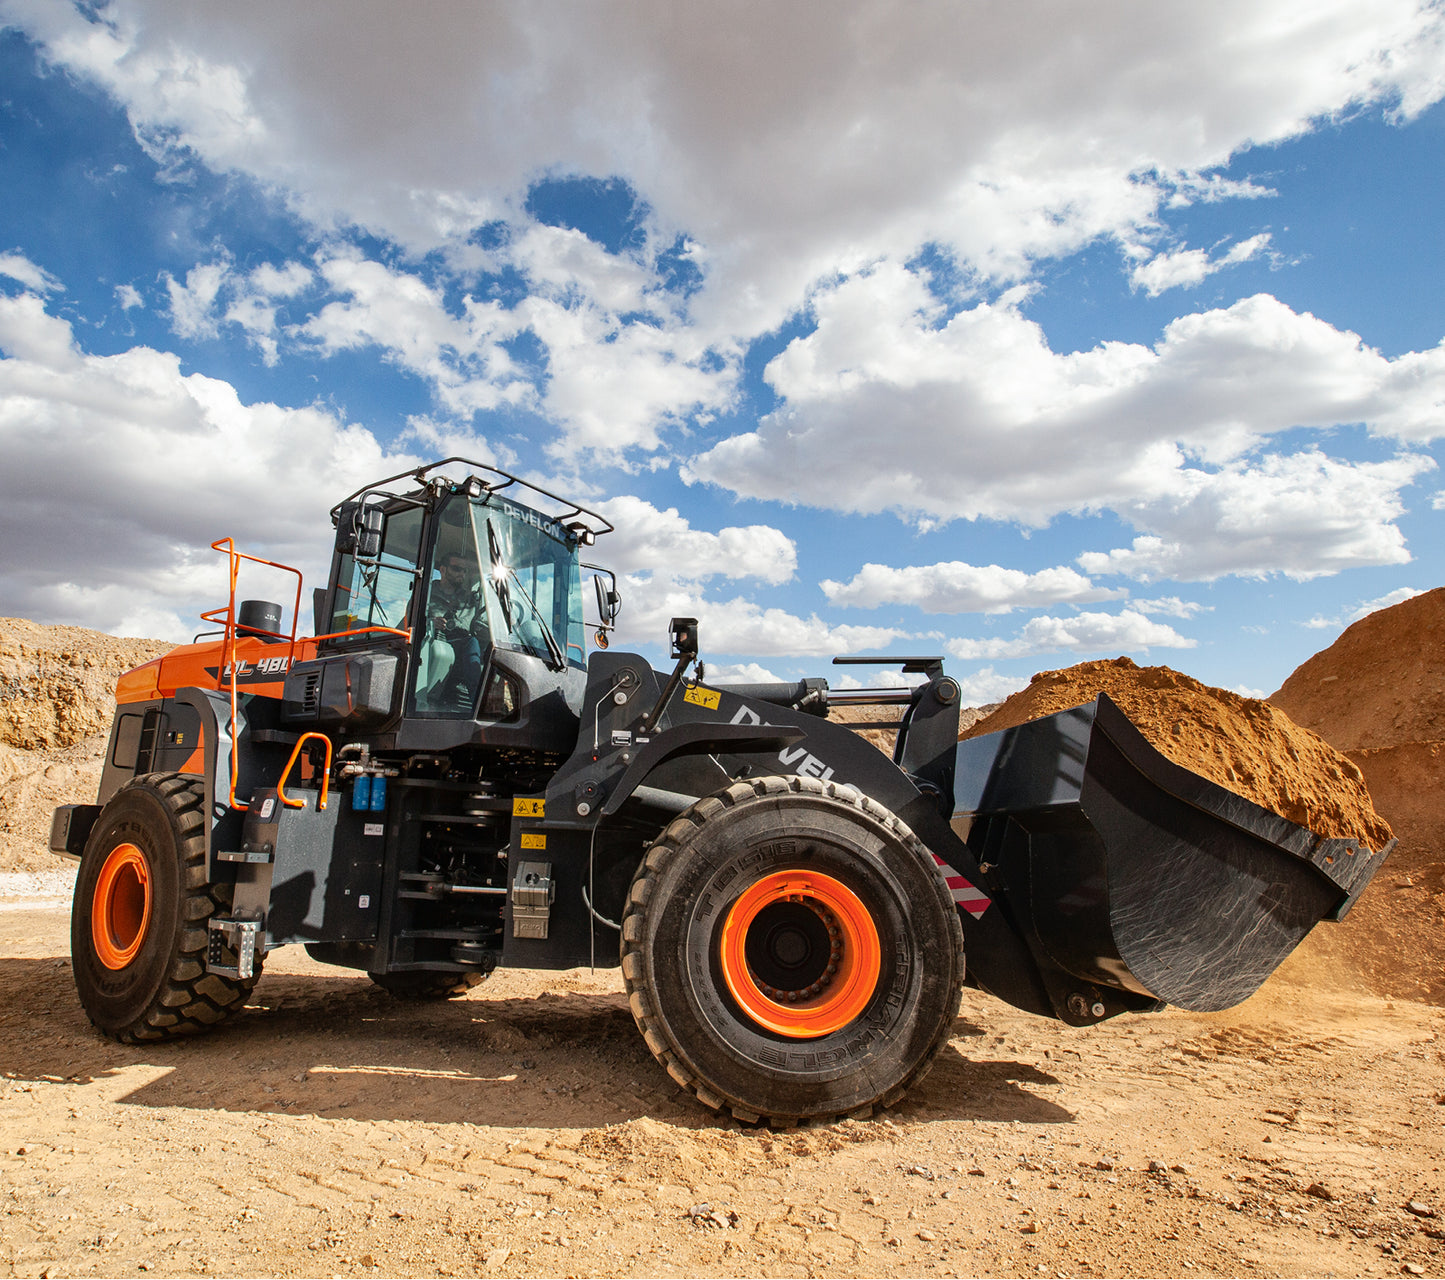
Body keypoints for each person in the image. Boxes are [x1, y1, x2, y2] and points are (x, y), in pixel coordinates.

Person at [425, 550, 488, 709]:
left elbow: (475, 624)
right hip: (430, 644)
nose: (462, 574)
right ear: (443, 570)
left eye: (465, 570)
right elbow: (411, 619)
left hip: (460, 645)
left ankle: (480, 705)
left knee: (477, 645)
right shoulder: (425, 593)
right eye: (457, 569)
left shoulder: (470, 599)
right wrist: (431, 622)